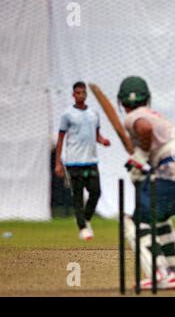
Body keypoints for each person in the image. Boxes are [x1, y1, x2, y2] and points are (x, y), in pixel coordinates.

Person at [120, 76, 175, 290]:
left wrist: (138, 159)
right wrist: (141, 168)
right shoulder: (155, 115)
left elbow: (145, 130)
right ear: (147, 98)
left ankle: (159, 273)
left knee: (136, 223)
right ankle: (174, 273)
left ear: (122, 102)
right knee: (159, 219)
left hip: (172, 168)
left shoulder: (133, 118)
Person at [55, 81, 110, 240]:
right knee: (78, 196)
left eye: (83, 93)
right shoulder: (67, 115)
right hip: (73, 162)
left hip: (91, 160)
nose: (81, 95)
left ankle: (85, 219)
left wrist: (103, 140)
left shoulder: (94, 114)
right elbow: (60, 139)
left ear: (86, 94)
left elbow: (97, 135)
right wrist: (58, 163)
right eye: (78, 93)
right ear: (73, 95)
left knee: (96, 192)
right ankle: (83, 228)